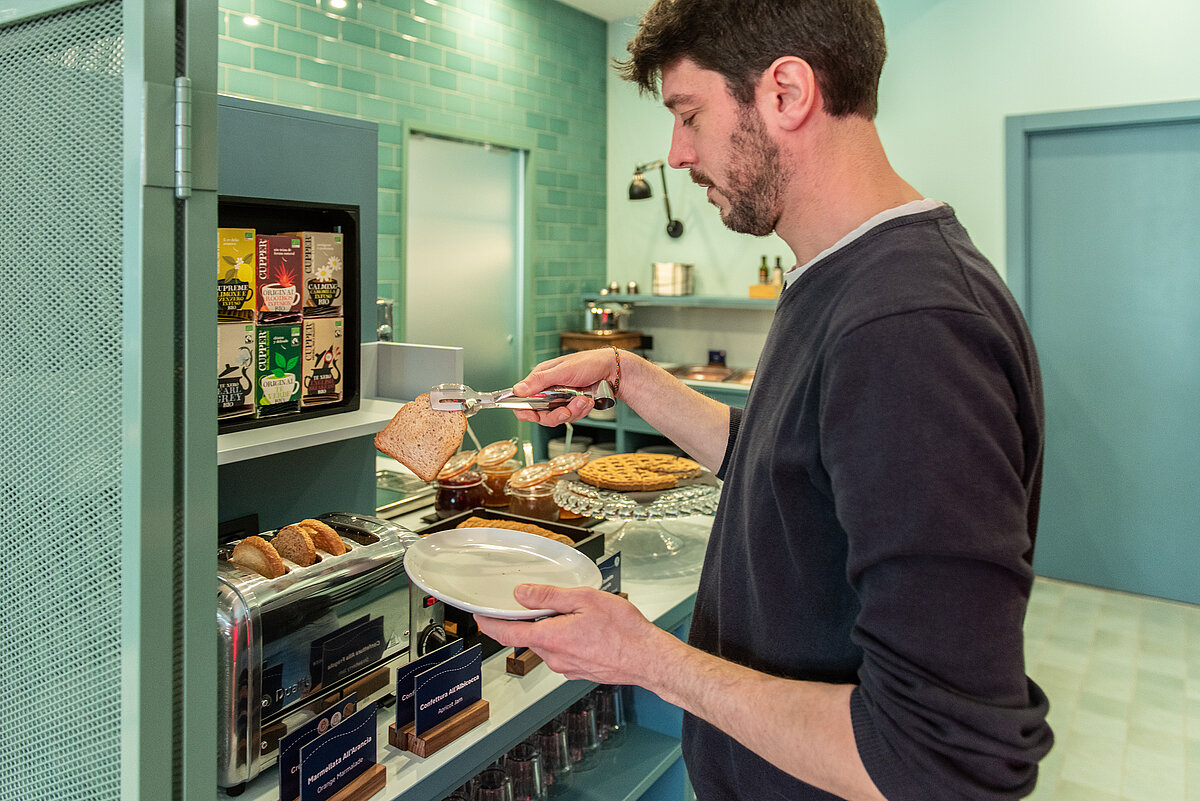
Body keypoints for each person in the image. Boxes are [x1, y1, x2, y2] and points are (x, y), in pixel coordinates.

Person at [474, 2, 1053, 799]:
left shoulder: (909, 328)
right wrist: (628, 375)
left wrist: (649, 658)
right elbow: (790, 467)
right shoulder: (835, 277)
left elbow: (939, 759)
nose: (677, 155)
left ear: (785, 92)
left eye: (689, 115)